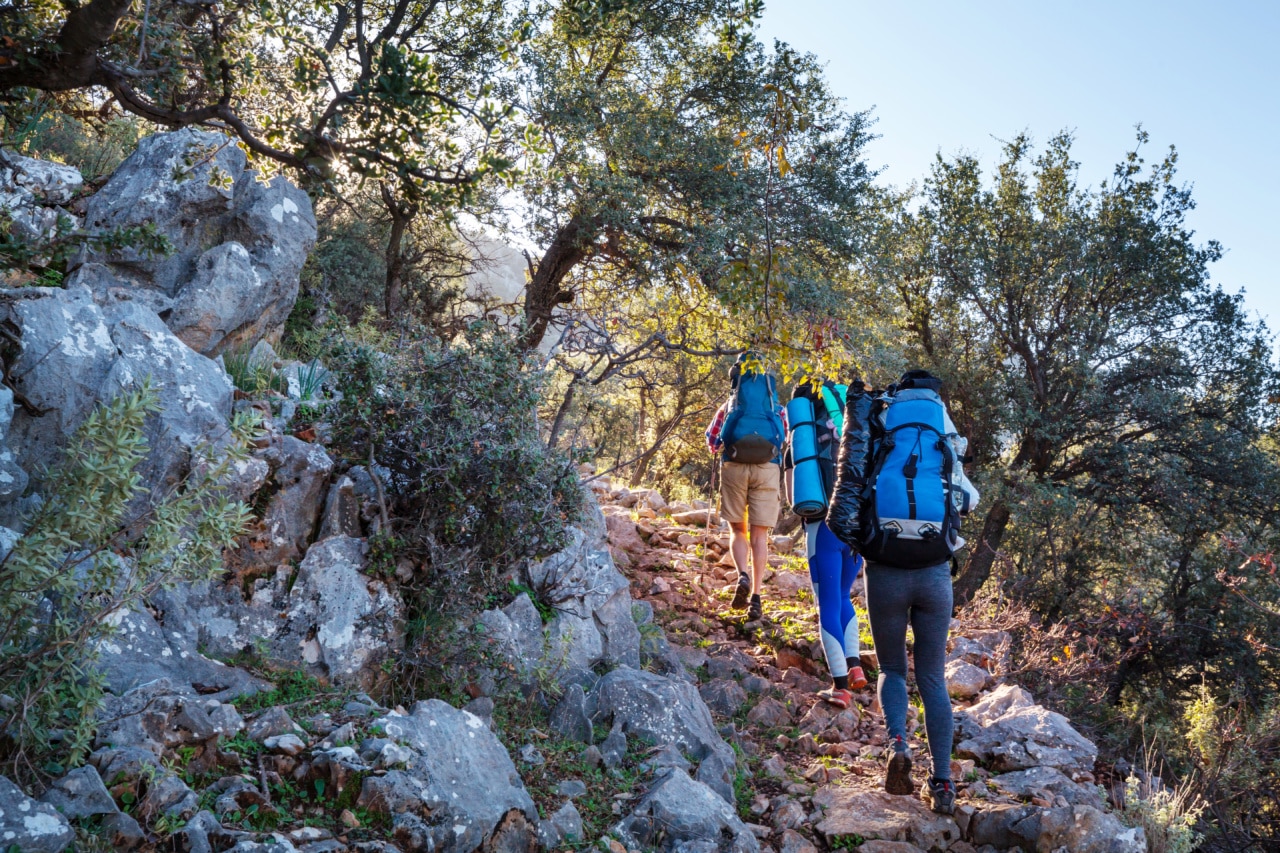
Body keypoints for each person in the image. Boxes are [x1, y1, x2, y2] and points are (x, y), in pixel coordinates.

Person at [826, 370, 980, 816]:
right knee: (932, 678)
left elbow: (855, 485)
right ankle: (944, 782)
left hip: (886, 571)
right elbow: (968, 501)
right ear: (935, 396)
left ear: (899, 391)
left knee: (892, 668)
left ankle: (898, 743)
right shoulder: (943, 436)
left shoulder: (882, 425)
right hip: (934, 575)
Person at [787, 380, 868, 710]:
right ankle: (855, 665)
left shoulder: (806, 429)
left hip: (824, 528)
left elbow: (795, 481)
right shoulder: (854, 426)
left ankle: (839, 687)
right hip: (857, 529)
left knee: (827, 604)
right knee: (843, 596)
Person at [705, 354, 787, 622]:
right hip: (767, 469)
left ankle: (742, 574)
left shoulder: (729, 406)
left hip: (735, 467)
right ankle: (756, 596)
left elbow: (713, 442)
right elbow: (784, 438)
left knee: (738, 529)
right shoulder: (777, 407)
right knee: (759, 536)